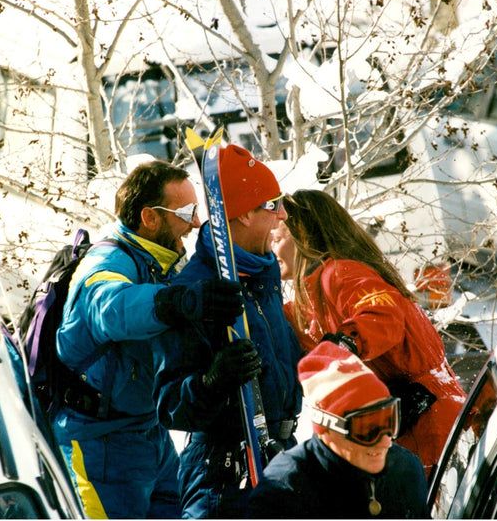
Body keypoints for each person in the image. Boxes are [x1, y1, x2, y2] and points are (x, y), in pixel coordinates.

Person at [54, 160, 244, 519]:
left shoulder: (161, 260)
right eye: (186, 212)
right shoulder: (109, 260)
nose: (194, 223)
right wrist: (179, 301)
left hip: (147, 434)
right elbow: (110, 309)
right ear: (150, 218)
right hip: (98, 443)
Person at [151, 144, 304, 519]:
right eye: (273, 204)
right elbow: (171, 407)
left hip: (280, 457)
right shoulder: (196, 292)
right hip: (223, 476)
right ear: (245, 215)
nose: (283, 214)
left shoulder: (263, 276)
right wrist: (214, 381)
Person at [281, 189, 467, 478]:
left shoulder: (341, 273)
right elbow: (292, 325)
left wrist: (345, 342)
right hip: (406, 424)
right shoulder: (313, 293)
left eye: (277, 238)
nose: (271, 248)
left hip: (427, 422)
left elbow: (383, 316)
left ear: (303, 237)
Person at [248, 341, 430, 519]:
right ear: (326, 428)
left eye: (389, 421)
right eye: (367, 428)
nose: (385, 441)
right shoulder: (284, 492)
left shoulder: (406, 470)